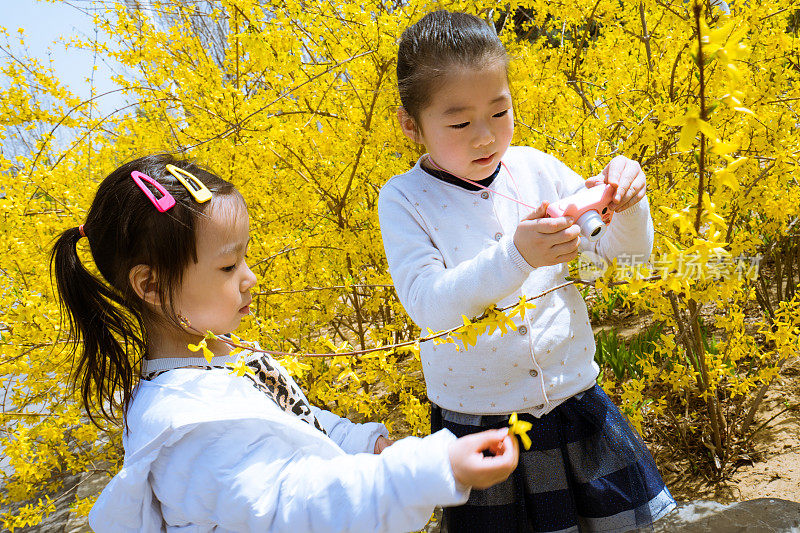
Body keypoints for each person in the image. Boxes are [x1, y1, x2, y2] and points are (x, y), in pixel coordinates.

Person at [51, 154, 519, 532]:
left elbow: (298, 422)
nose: (250, 278)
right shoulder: (186, 426)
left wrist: (363, 442)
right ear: (149, 286)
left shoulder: (221, 360)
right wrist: (431, 470)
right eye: (228, 267)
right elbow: (294, 505)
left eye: (245, 259)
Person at [378, 10, 676, 533]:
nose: (485, 137)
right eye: (459, 122)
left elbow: (625, 263)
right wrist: (516, 258)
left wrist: (628, 204)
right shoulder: (405, 199)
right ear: (411, 124)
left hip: (578, 405)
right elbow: (428, 304)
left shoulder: (536, 168)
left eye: (499, 111)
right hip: (482, 429)